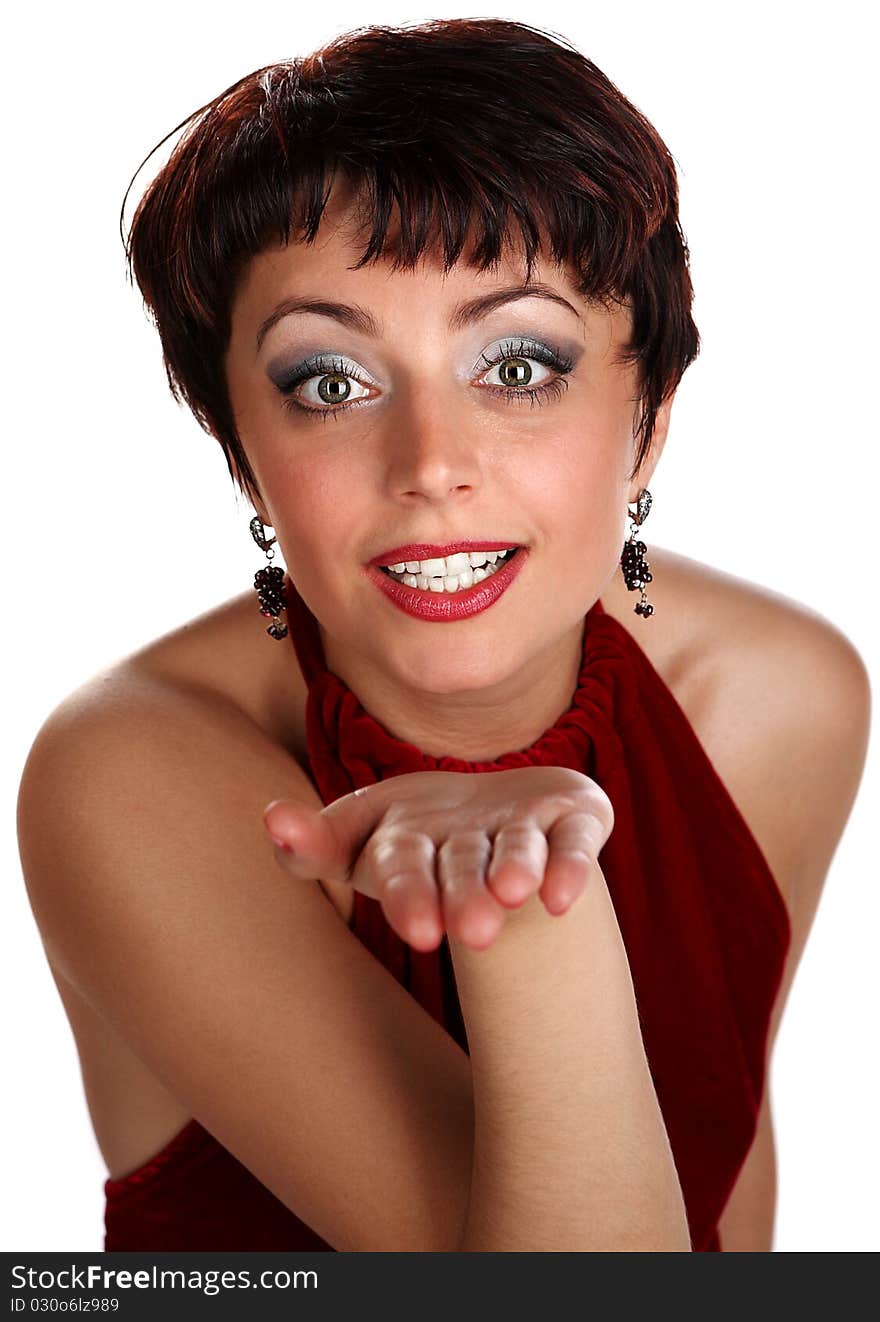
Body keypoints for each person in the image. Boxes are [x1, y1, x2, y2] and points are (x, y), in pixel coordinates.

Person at [16, 17, 870, 1253]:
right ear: (244, 458)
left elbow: (716, 1224)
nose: (430, 467)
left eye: (516, 365)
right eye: (329, 382)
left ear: (651, 415)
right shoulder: (128, 773)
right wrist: (526, 909)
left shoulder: (780, 697)